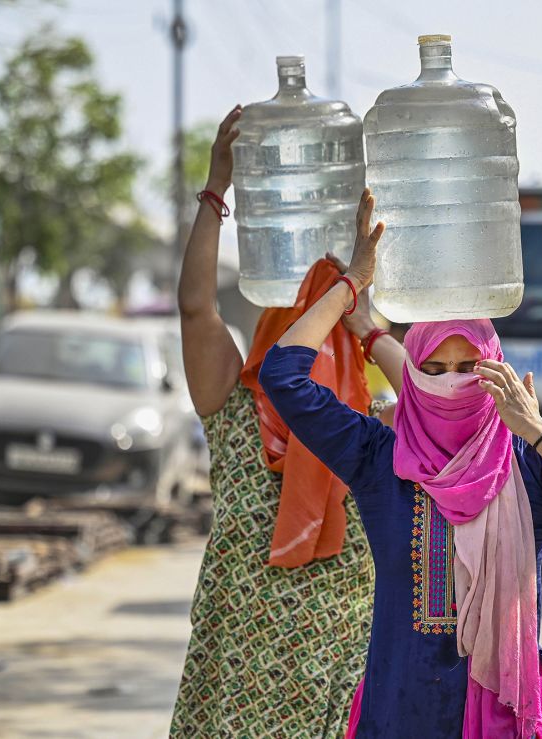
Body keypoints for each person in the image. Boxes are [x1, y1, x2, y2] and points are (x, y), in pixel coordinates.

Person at [257, 190, 542, 738]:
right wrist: (352, 289)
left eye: (470, 367)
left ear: (498, 371)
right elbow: (284, 378)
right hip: (398, 712)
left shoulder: (526, 461)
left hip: (501, 717)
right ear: (413, 377)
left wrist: (536, 430)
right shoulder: (378, 457)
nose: (452, 383)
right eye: (434, 369)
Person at [170, 106, 406, 738]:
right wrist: (217, 188)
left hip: (337, 694)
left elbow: (435, 400)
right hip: (236, 694)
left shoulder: (371, 436)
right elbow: (195, 307)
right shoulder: (235, 409)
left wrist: (359, 310)